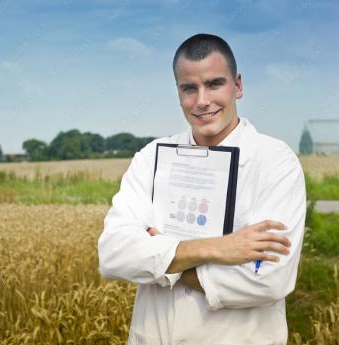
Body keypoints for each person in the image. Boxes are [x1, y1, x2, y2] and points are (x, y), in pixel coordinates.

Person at [98, 33, 306, 345]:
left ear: (237, 86)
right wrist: (218, 249)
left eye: (214, 84)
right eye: (189, 88)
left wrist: (165, 259)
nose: (202, 101)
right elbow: (114, 254)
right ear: (178, 91)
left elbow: (269, 280)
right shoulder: (151, 156)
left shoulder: (275, 162)